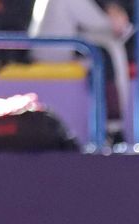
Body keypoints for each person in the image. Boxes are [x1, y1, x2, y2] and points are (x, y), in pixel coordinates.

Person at [30, 0, 132, 145]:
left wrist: (115, 15)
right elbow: (99, 23)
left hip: (59, 47)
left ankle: (113, 126)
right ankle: (113, 127)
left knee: (109, 51)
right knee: (106, 57)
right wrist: (118, 22)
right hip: (54, 52)